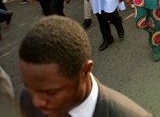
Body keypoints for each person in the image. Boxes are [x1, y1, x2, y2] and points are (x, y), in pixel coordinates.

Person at [19, 16, 152, 116]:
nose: (36, 102)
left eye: (50, 92)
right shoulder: (28, 99)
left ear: (85, 71)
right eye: (28, 86)